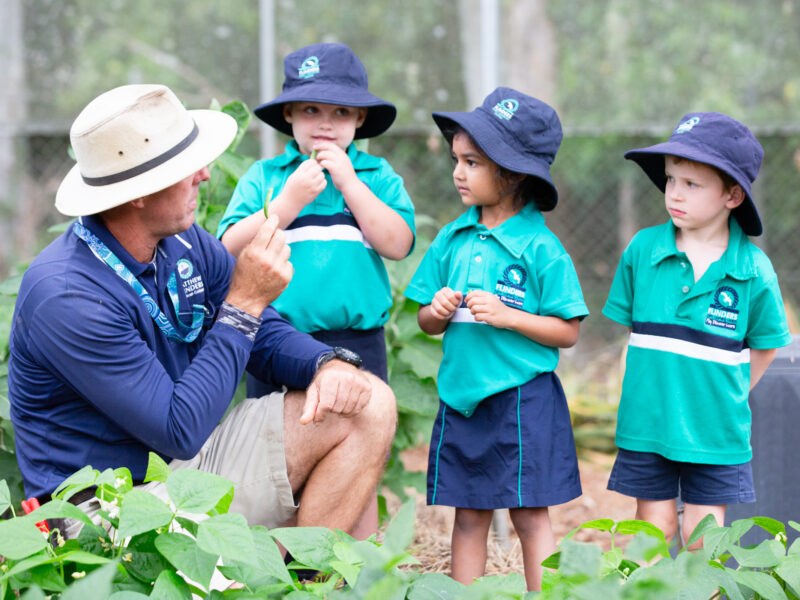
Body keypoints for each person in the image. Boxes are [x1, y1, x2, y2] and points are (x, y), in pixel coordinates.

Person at [8, 83, 396, 541]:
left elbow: (264, 334)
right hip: (107, 505)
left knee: (367, 403)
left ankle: (306, 581)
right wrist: (244, 301)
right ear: (139, 192)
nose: (205, 176)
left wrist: (325, 364)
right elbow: (177, 429)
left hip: (185, 465)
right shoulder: (67, 294)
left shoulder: (180, 241)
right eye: (187, 167)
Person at [404, 88, 588, 591]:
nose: (458, 173)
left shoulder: (542, 248)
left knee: (530, 518)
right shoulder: (451, 238)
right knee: (468, 517)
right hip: (463, 401)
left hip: (522, 401)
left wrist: (510, 317)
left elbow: (568, 331)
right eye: (457, 160)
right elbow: (423, 320)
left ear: (513, 172)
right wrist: (436, 313)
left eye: (473, 162)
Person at [603, 112, 792, 549]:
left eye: (692, 184)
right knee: (653, 530)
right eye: (671, 180)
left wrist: (730, 393)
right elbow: (634, 334)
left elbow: (765, 347)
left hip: (715, 429)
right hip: (648, 421)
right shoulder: (642, 250)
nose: (674, 193)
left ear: (732, 194)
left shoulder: (754, 271)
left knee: (702, 537)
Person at [216, 42, 415, 390]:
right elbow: (228, 247)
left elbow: (398, 244)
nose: (326, 124)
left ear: (360, 117)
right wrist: (287, 202)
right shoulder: (266, 176)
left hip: (359, 341)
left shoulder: (376, 175)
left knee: (358, 435)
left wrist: (350, 183)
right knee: (275, 438)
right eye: (311, 110)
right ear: (289, 113)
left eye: (341, 112)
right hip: (275, 339)